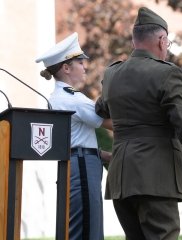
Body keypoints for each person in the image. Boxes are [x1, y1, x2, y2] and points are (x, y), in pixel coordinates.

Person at [95, 7, 182, 240]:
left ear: (134, 40)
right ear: (162, 40)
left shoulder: (112, 75)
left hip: (121, 179)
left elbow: (100, 108)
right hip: (155, 177)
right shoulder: (168, 74)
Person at [35, 32, 113, 240]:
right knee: (87, 229)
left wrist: (102, 154)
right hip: (82, 166)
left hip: (80, 162)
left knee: (81, 227)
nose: (84, 67)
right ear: (66, 68)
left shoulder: (58, 98)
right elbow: (112, 124)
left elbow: (75, 138)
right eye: (80, 62)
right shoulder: (73, 99)